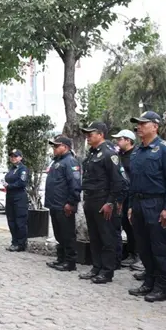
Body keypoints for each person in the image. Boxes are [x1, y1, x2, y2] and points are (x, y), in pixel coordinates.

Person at [127, 111, 166, 303]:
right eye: (138, 124)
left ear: (155, 126)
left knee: (160, 246)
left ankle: (162, 287)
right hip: (139, 204)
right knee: (144, 245)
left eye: (143, 123)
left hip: (156, 203)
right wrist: (132, 205)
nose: (139, 127)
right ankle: (149, 281)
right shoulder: (137, 152)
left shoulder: (165, 149)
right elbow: (133, 181)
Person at [79, 121, 128, 284]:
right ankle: (96, 267)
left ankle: (107, 271)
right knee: (94, 236)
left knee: (107, 237)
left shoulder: (109, 153)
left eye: (90, 133)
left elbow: (118, 181)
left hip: (103, 200)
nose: (87, 136)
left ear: (100, 134)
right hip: (91, 199)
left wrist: (111, 202)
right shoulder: (92, 153)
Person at [44, 136, 82, 272]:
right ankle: (61, 258)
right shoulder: (56, 161)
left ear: (65, 147)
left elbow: (75, 184)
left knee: (67, 234)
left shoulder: (70, 161)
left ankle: (70, 261)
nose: (54, 149)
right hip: (54, 204)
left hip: (64, 205)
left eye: (56, 146)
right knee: (59, 234)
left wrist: (71, 203)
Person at [113, 130, 141, 270]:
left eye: (120, 139)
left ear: (128, 140)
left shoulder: (136, 155)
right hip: (121, 196)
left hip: (133, 195)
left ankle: (136, 254)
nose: (117, 142)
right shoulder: (119, 156)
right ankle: (130, 252)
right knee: (124, 224)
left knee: (133, 226)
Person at [4, 149, 29, 252]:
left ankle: (21, 243)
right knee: (11, 221)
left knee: (20, 221)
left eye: (15, 156)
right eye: (12, 156)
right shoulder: (12, 169)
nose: (13, 158)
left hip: (19, 197)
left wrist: (9, 186)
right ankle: (14, 242)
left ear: (20, 157)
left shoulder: (23, 169)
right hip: (10, 196)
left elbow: (22, 183)